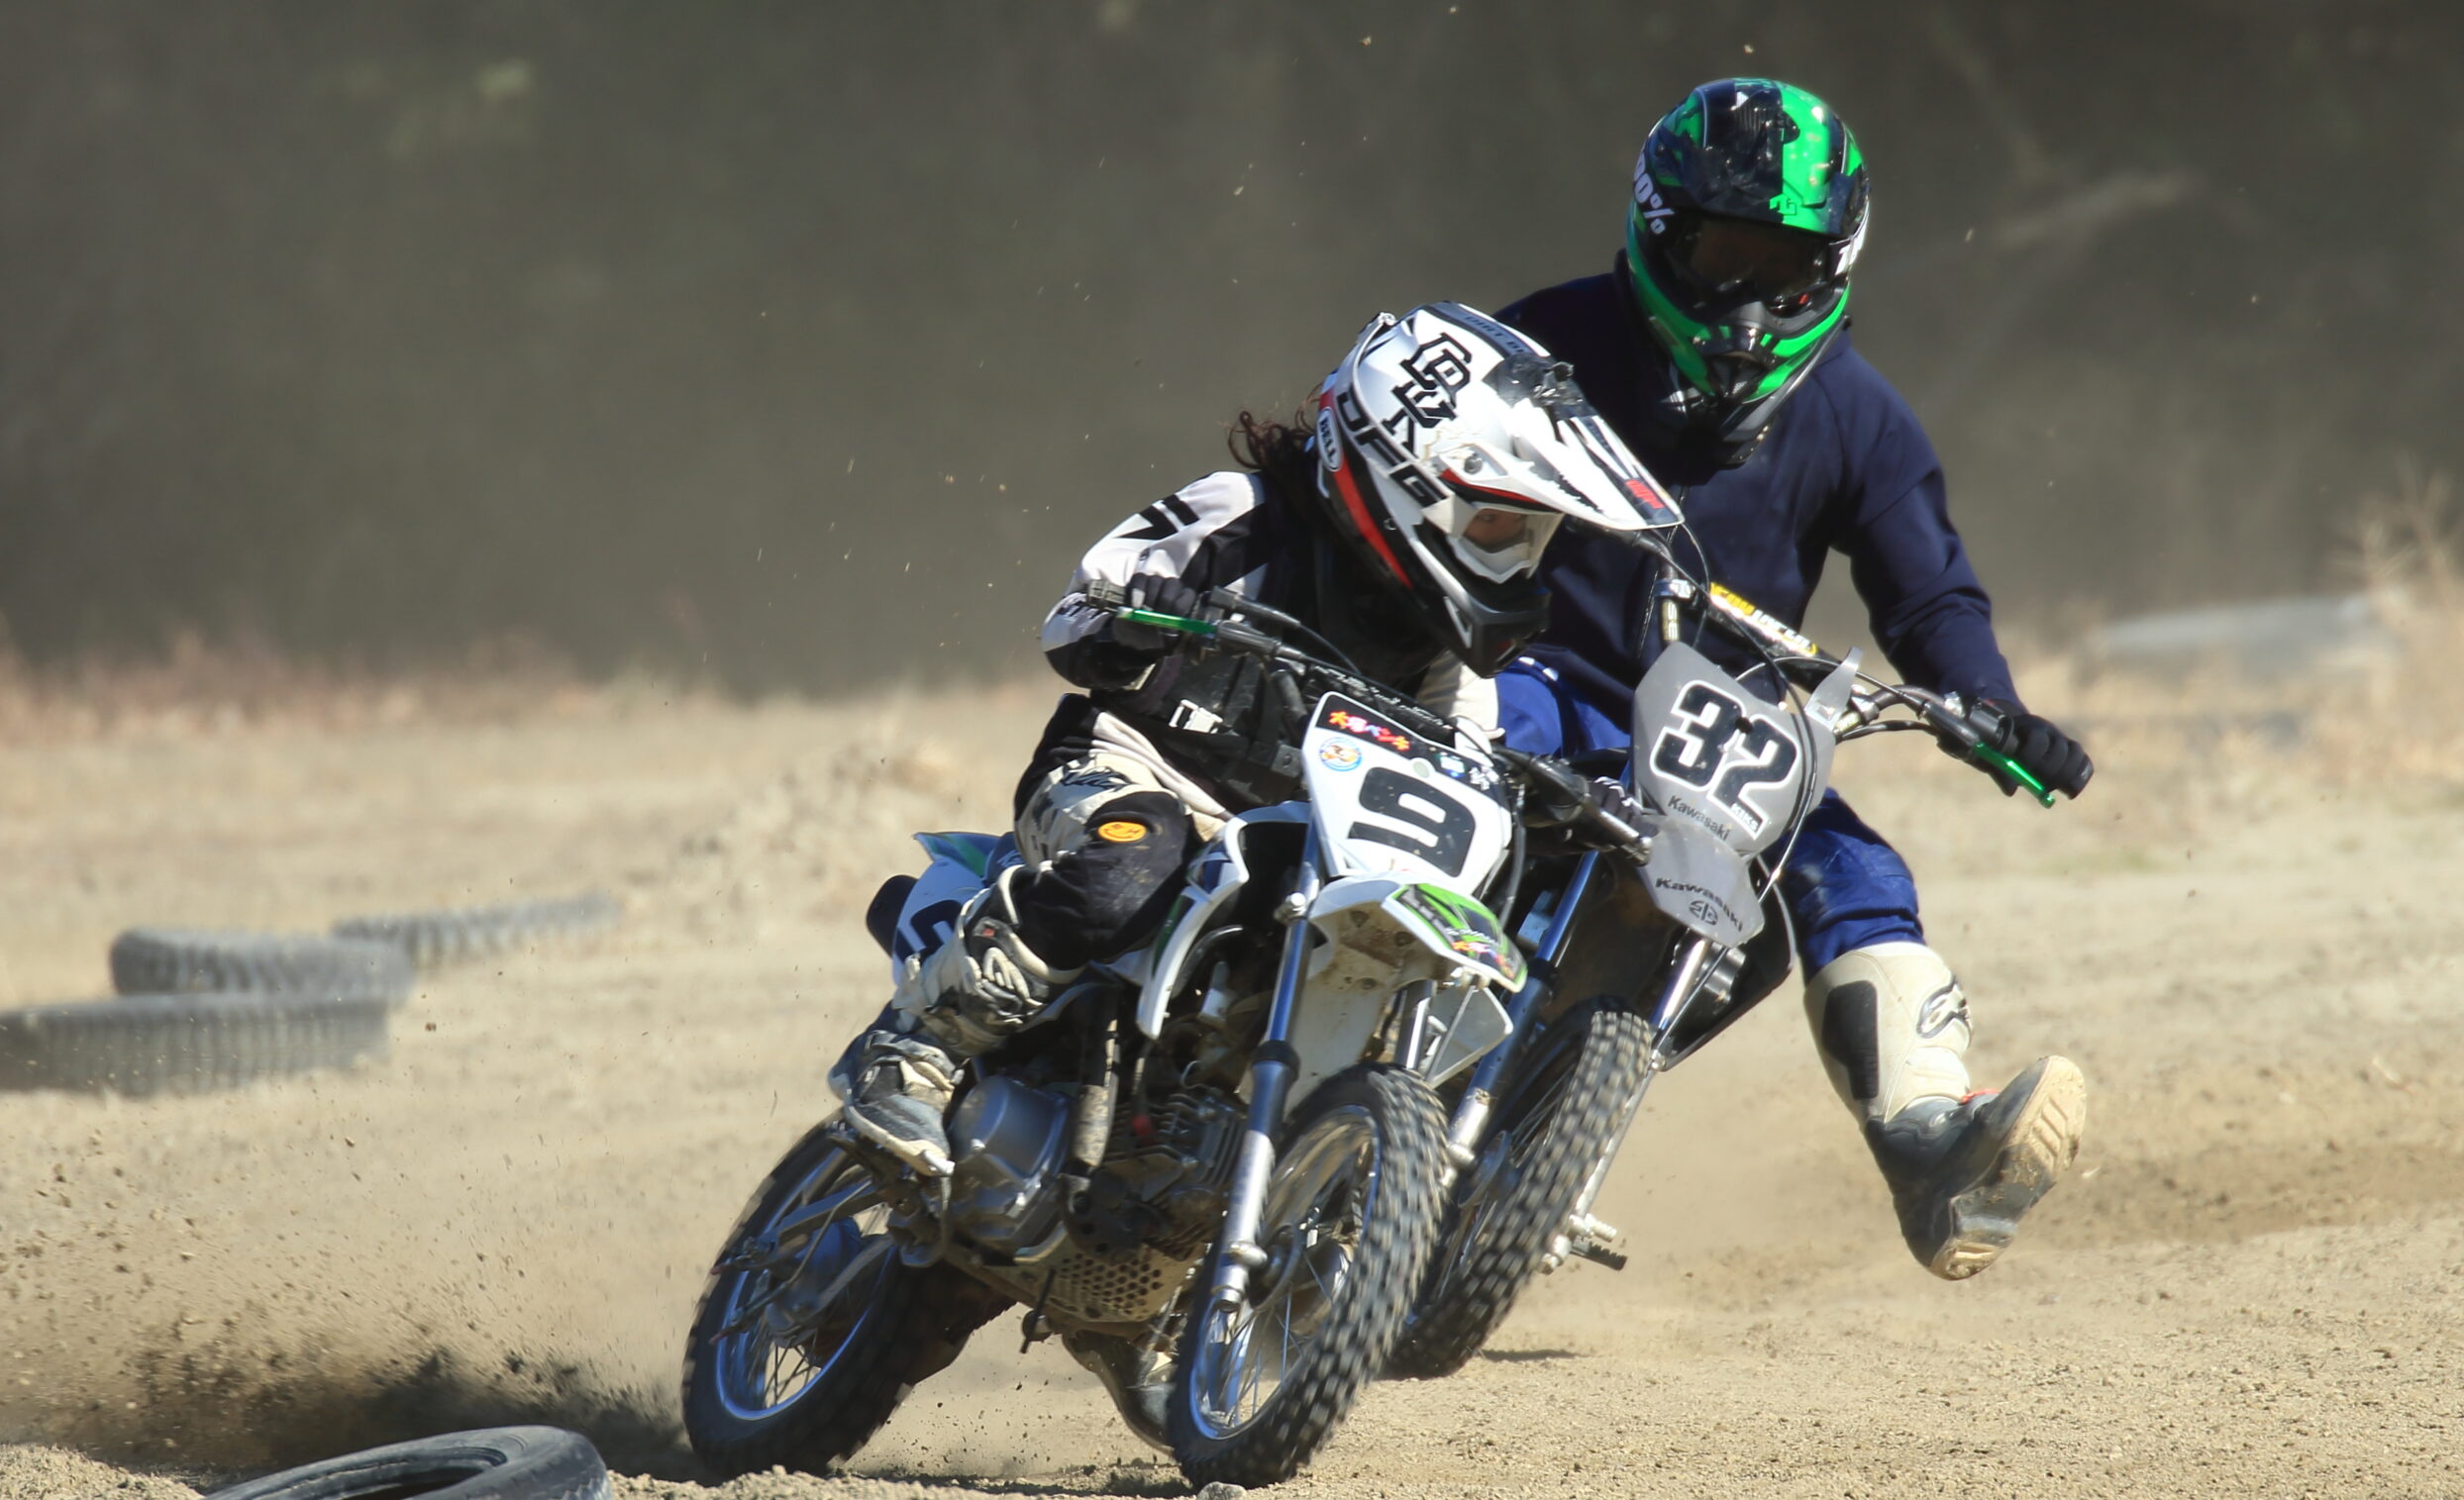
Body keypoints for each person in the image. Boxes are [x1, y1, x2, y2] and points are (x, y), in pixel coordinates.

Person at [828, 302, 1679, 1175]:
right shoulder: (1246, 514)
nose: (1516, 554)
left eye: (1530, 534)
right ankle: (915, 1050)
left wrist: (1555, 799)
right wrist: (1142, 620)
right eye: (1496, 524)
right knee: (1134, 862)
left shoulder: (1443, 649)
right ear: (1407, 473)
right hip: (1130, 770)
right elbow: (1073, 618)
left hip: (1290, 841)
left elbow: (1469, 760)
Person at [1493, 78, 2095, 1280]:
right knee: (1455, 746)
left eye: (1782, 268)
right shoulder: (1538, 343)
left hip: (1719, 732)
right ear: (1659, 232)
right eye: (1722, 255)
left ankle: (1929, 1145)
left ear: (1835, 269)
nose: (1745, 300)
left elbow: (1928, 594)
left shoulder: (1860, 418)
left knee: (1855, 868)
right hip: (1535, 677)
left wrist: (1986, 700)